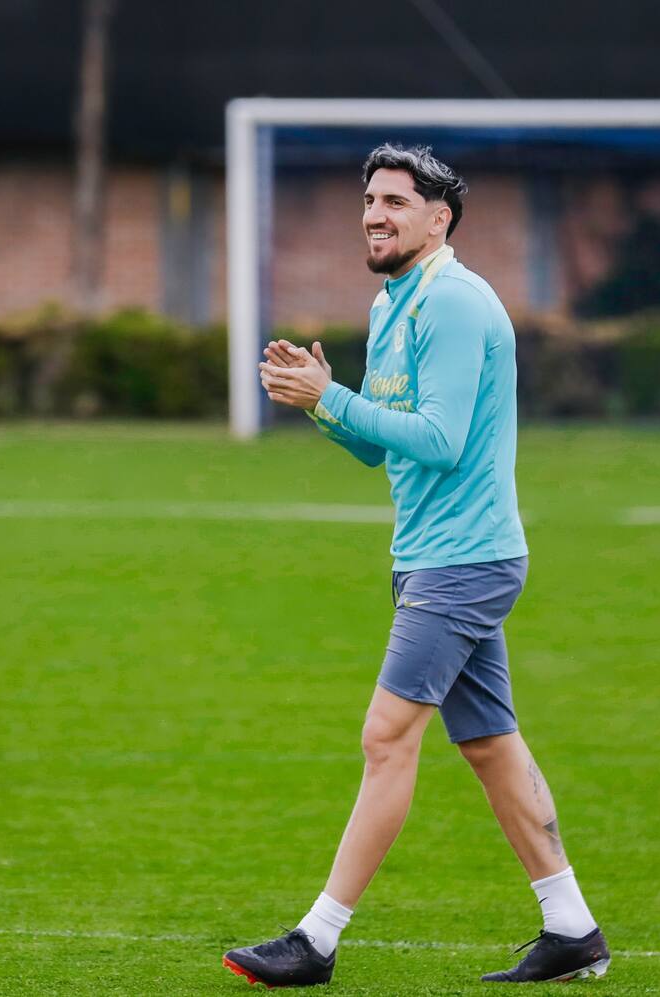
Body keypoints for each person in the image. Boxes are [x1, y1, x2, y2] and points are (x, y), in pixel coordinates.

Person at [223, 144, 609, 987]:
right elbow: (379, 446)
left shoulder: (458, 303)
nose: (375, 212)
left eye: (396, 200)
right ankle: (572, 925)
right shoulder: (392, 302)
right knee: (491, 745)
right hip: (432, 556)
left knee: (386, 737)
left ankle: (316, 939)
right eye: (369, 199)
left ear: (440, 218)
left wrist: (333, 398)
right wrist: (326, 404)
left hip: (463, 563)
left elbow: (441, 439)